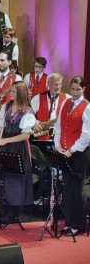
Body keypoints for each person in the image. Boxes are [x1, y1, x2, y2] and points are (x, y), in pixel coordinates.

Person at [0, 81, 35, 225]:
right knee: (3, 176)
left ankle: (13, 211)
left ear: (20, 93)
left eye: (13, 91)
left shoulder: (27, 112)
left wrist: (6, 141)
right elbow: (0, 127)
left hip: (18, 148)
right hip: (5, 146)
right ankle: (3, 207)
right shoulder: (6, 107)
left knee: (14, 179)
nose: (10, 93)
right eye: (10, 91)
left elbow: (25, 136)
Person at [53, 76, 90, 236]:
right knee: (67, 188)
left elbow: (87, 135)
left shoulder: (87, 107)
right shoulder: (65, 102)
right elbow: (59, 125)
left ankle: (78, 225)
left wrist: (72, 150)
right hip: (65, 151)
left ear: (84, 89)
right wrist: (58, 145)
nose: (75, 92)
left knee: (77, 189)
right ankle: (69, 222)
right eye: (73, 89)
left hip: (79, 154)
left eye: (78, 90)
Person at [31, 73, 69, 141]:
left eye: (60, 84)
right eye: (55, 84)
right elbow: (27, 115)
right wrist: (34, 121)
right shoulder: (37, 98)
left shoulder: (67, 98)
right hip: (42, 138)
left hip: (60, 139)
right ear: (48, 84)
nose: (58, 87)